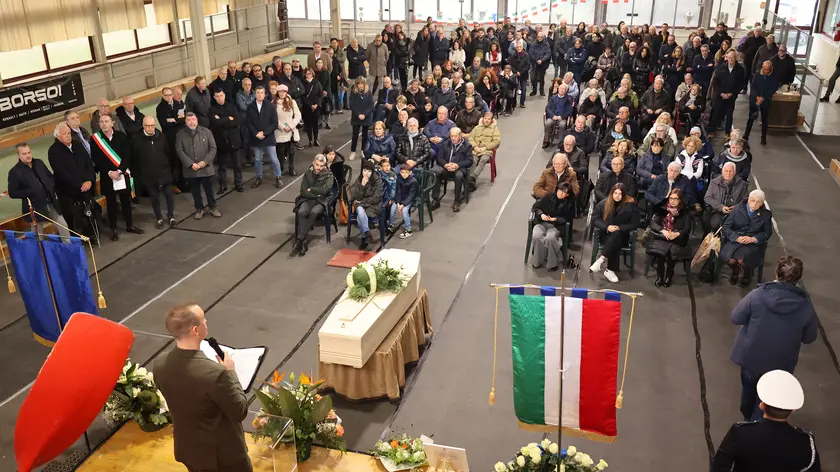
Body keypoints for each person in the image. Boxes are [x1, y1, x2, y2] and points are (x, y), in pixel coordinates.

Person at [153, 304, 251, 472]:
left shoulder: (160, 363)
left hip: (190, 450)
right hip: (224, 456)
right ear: (196, 330)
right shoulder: (215, 374)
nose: (206, 321)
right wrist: (231, 372)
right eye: (203, 319)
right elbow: (239, 411)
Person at [730, 254, 818, 420]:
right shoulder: (805, 306)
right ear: (798, 278)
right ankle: (757, 421)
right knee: (769, 397)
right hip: (781, 363)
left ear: (776, 273)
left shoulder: (757, 295)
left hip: (751, 357)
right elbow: (809, 337)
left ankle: (748, 419)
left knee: (749, 389)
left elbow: (736, 317)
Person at [712, 370, 820, 472]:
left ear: (762, 406)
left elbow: (719, 467)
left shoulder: (740, 433)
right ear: (794, 409)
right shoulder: (805, 442)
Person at [90, 114, 144, 241]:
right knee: (111, 204)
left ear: (112, 123)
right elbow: (96, 159)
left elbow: (127, 155)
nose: (104, 124)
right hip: (107, 176)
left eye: (106, 121)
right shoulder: (95, 139)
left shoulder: (121, 136)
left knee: (126, 202)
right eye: (101, 121)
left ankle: (130, 225)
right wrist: (109, 172)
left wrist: (120, 171)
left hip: (122, 174)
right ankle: (113, 229)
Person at [9, 142, 70, 238]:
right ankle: (39, 248)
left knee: (63, 226)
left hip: (50, 203)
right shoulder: (15, 172)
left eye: (29, 152)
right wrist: (31, 192)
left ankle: (68, 246)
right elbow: (12, 193)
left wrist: (51, 186)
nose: (28, 155)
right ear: (18, 155)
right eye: (24, 154)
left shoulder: (39, 163)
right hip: (35, 208)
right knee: (38, 235)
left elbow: (50, 176)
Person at [48, 123, 95, 234]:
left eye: (69, 133)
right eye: (64, 134)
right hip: (68, 192)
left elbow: (89, 163)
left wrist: (89, 180)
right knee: (71, 217)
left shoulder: (77, 145)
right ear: (58, 136)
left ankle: (90, 234)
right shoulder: (54, 151)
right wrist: (79, 185)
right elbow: (61, 173)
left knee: (88, 212)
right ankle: (76, 236)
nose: (68, 136)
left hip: (86, 187)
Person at [720, 189, 773, 287]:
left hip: (752, 244)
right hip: (735, 240)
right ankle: (735, 271)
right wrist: (736, 237)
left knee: (742, 260)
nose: (755, 204)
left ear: (762, 203)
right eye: (753, 200)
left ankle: (747, 274)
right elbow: (726, 227)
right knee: (730, 260)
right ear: (748, 199)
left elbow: (767, 233)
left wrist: (754, 239)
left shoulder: (766, 214)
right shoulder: (737, 209)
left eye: (758, 202)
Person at [132, 117, 176, 229]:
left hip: (164, 172)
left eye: (152, 125)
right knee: (154, 197)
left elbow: (168, 153)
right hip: (148, 175)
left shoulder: (162, 137)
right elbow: (135, 158)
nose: (150, 128)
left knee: (169, 195)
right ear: (143, 126)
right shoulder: (136, 140)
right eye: (148, 126)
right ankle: (159, 218)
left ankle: (171, 216)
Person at [590, 183, 638, 283]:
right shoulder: (603, 203)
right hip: (605, 234)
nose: (617, 196)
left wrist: (620, 228)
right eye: (615, 193)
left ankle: (601, 260)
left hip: (623, 236)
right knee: (616, 238)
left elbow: (635, 223)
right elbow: (595, 219)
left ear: (624, 195)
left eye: (620, 194)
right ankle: (609, 270)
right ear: (612, 193)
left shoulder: (630, 206)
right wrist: (607, 227)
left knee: (617, 234)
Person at [176, 113, 220, 220]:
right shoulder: (180, 134)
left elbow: (213, 148)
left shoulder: (207, 132)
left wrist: (204, 162)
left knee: (209, 190)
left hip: (206, 168)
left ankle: (213, 207)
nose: (191, 122)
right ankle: (199, 209)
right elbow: (179, 150)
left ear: (197, 120)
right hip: (191, 170)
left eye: (193, 119)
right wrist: (191, 164)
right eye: (189, 120)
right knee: (195, 191)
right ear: (185, 122)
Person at [646, 189, 691, 287]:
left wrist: (677, 233)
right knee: (661, 251)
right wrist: (663, 231)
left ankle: (669, 275)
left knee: (671, 251)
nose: (673, 201)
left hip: (677, 238)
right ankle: (660, 275)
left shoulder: (685, 212)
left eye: (676, 199)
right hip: (662, 236)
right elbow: (653, 223)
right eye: (671, 198)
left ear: (680, 200)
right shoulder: (662, 209)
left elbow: (687, 229)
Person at [292, 154, 334, 256]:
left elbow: (325, 191)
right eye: (317, 165)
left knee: (314, 212)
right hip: (309, 199)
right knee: (302, 212)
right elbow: (303, 191)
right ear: (313, 163)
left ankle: (300, 239)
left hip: (322, 201)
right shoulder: (308, 173)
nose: (319, 167)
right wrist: (316, 195)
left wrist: (312, 189)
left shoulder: (329, 175)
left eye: (321, 165)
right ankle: (303, 241)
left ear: (324, 165)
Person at [530, 182, 575, 271]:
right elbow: (536, 207)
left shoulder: (570, 203)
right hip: (542, 222)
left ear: (567, 195)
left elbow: (568, 218)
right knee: (536, 236)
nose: (561, 193)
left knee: (550, 238)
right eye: (560, 190)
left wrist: (556, 219)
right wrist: (541, 215)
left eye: (564, 192)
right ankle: (537, 261)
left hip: (556, 226)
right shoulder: (549, 196)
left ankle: (553, 263)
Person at [246, 85, 282, 188]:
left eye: (261, 93)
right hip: (256, 138)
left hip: (269, 137)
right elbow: (248, 123)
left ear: (265, 94)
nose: (259, 95)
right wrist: (256, 134)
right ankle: (259, 177)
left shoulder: (271, 106)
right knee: (258, 160)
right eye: (258, 93)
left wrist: (265, 133)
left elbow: (274, 123)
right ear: (255, 94)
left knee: (274, 159)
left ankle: (278, 177)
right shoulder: (250, 107)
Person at [430, 127, 473, 212]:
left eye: (455, 136)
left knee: (458, 176)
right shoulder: (445, 144)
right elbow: (439, 158)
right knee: (435, 172)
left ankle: (457, 201)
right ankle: (435, 199)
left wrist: (457, 165)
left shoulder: (467, 146)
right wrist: (445, 165)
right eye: (451, 136)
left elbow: (469, 161)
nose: (453, 138)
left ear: (460, 136)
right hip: (446, 167)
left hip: (459, 168)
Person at [209, 89, 243, 194]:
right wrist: (228, 118)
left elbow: (237, 121)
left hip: (234, 140)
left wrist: (222, 120)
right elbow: (216, 123)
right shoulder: (212, 109)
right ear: (214, 97)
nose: (220, 98)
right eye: (217, 96)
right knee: (222, 166)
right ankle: (223, 186)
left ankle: (238, 184)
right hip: (221, 142)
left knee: (237, 165)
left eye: (221, 95)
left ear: (224, 95)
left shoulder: (232, 107)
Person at [708, 51, 745, 139]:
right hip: (719, 96)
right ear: (726, 58)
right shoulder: (720, 67)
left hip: (731, 96)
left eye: (733, 58)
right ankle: (712, 131)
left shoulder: (740, 69)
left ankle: (727, 133)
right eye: (729, 58)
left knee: (729, 115)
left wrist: (732, 94)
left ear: (736, 58)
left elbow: (740, 84)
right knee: (716, 113)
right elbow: (715, 83)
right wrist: (721, 93)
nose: (731, 60)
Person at [350, 160, 385, 250]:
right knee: (360, 210)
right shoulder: (359, 179)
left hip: (373, 206)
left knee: (360, 216)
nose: (366, 173)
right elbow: (356, 196)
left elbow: (377, 197)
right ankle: (367, 233)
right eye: (364, 170)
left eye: (369, 171)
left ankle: (364, 237)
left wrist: (362, 201)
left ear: (372, 172)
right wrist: (362, 185)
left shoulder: (377, 180)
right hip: (361, 205)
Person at [704, 162, 748, 233]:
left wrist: (736, 207)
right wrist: (720, 207)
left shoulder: (743, 184)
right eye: (726, 171)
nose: (728, 173)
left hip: (736, 212)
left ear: (735, 173)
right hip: (718, 211)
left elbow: (745, 200)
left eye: (730, 171)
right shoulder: (714, 183)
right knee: (715, 223)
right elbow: (707, 197)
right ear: (722, 171)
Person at [745, 60, 778, 145]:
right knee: (751, 118)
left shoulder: (774, 76)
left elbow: (773, 89)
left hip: (765, 101)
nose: (766, 71)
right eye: (764, 69)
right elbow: (753, 87)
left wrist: (763, 97)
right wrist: (757, 97)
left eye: (767, 69)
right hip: (755, 100)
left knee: (764, 120)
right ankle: (746, 136)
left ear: (770, 68)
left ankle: (763, 138)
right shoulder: (757, 74)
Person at [467, 111, 501, 189]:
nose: (486, 120)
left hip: (486, 151)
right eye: (485, 118)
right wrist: (475, 146)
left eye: (489, 119)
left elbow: (497, 141)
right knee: (473, 160)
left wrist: (486, 147)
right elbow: (470, 138)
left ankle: (472, 177)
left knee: (483, 159)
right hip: (476, 150)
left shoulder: (494, 129)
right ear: (482, 119)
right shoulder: (477, 128)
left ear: (491, 120)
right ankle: (471, 181)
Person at [388, 164, 418, 239]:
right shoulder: (399, 179)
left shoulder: (413, 181)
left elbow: (411, 195)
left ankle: (408, 230)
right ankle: (391, 225)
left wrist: (403, 204)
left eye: (406, 172)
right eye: (402, 172)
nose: (404, 174)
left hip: (408, 200)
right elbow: (398, 191)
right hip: (400, 199)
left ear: (410, 172)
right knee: (392, 209)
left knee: (404, 210)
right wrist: (398, 202)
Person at [348, 77, 374, 161]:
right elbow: (351, 105)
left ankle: (363, 151)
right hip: (356, 117)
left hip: (366, 117)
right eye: (358, 84)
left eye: (362, 83)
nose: (360, 85)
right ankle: (353, 151)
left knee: (365, 135)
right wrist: (358, 114)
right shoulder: (353, 92)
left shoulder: (368, 92)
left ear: (364, 84)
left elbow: (371, 105)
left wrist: (365, 114)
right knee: (355, 135)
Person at [543, 83, 573, 148]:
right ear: (558, 89)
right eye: (561, 88)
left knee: (562, 125)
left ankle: (561, 142)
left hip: (562, 118)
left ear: (566, 91)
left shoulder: (568, 100)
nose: (562, 90)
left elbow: (569, 111)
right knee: (548, 123)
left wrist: (561, 117)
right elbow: (547, 108)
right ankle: (546, 141)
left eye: (564, 89)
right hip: (553, 117)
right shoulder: (553, 98)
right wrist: (552, 116)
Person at [300, 68, 323, 147]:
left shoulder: (317, 82)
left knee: (315, 124)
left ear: (312, 74)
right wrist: (310, 105)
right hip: (307, 107)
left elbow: (320, 94)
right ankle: (310, 140)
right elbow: (303, 96)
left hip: (316, 107)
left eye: (309, 73)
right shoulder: (303, 83)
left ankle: (316, 139)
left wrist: (317, 104)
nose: (308, 75)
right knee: (308, 124)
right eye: (307, 74)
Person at [509, 42, 531, 108]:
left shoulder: (526, 55)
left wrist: (521, 72)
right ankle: (514, 103)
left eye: (520, 47)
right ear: (516, 48)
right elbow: (511, 65)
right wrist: (516, 72)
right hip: (515, 75)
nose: (519, 48)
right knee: (514, 89)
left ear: (522, 47)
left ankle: (522, 103)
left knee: (523, 89)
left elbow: (528, 65)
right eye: (517, 47)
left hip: (523, 75)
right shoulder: (513, 55)